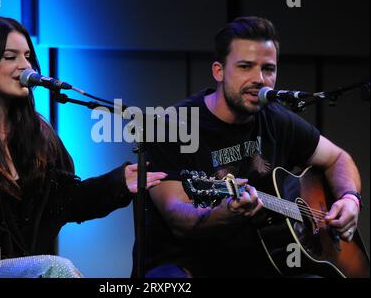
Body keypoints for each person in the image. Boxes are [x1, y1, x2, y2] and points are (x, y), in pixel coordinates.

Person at [0, 16, 167, 278]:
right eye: (10, 56)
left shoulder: (37, 136)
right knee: (55, 268)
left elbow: (66, 201)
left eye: (27, 56)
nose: (25, 66)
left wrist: (117, 184)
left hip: (28, 270)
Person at [133, 16, 364, 278]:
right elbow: (176, 215)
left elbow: (338, 158)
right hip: (186, 265)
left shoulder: (276, 119)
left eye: (268, 69)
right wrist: (223, 213)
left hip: (262, 262)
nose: (260, 79)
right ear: (218, 71)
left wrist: (349, 199)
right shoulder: (169, 126)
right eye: (245, 66)